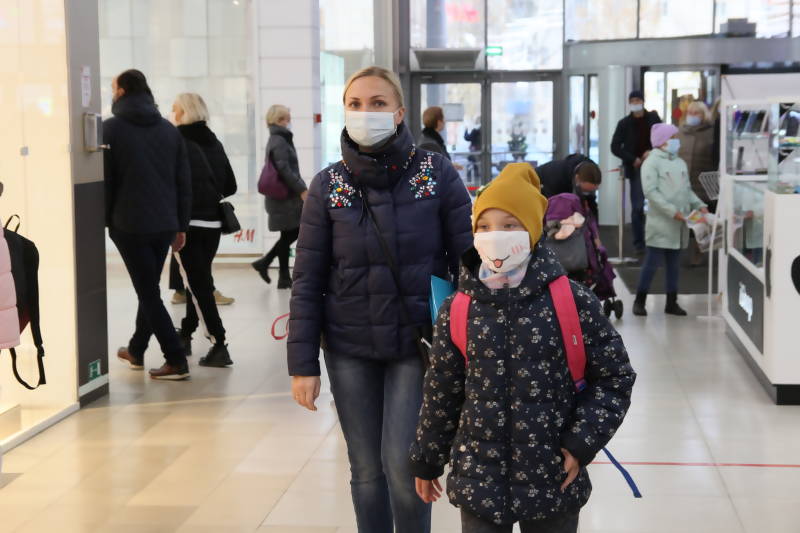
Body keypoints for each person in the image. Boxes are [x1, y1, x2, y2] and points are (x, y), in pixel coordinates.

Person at [288, 66, 473, 533]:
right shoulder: (327, 186)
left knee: (404, 464)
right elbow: (307, 279)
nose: (365, 112)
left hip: (417, 345)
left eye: (377, 103)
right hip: (349, 347)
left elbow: (468, 262)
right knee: (367, 469)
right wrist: (303, 364)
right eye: (355, 104)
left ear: (399, 112)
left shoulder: (435, 173)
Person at [409, 163, 636, 533]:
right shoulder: (459, 308)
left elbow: (615, 377)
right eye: (484, 227)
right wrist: (427, 457)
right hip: (479, 481)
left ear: (532, 230)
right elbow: (442, 389)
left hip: (552, 479)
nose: (494, 236)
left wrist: (581, 442)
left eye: (509, 225)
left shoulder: (572, 301)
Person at [105, 69, 191, 380]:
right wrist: (180, 225)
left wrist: (105, 219)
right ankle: (136, 349)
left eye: (113, 87)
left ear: (122, 91)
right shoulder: (169, 130)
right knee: (149, 288)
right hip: (164, 223)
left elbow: (107, 182)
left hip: (129, 223)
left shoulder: (110, 130)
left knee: (148, 293)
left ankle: (175, 359)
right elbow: (183, 181)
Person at [170, 92, 235, 367]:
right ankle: (185, 333)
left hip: (189, 225)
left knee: (198, 285)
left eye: (175, 109)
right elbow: (230, 185)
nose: (172, 114)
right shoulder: (213, 141)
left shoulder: (176, 141)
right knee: (197, 281)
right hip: (213, 225)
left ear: (184, 113)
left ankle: (219, 343)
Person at [633, 124, 708, 317]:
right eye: (673, 137)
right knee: (651, 263)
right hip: (661, 224)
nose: (677, 141)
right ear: (663, 141)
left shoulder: (680, 163)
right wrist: (673, 212)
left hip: (680, 224)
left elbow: (687, 190)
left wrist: (699, 205)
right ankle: (639, 300)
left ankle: (671, 302)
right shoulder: (651, 163)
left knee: (674, 266)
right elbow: (651, 192)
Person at [252, 105, 307, 289]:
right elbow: (284, 169)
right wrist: (301, 189)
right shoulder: (279, 140)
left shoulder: (278, 138)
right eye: (286, 119)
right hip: (284, 197)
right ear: (277, 120)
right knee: (292, 232)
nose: (289, 122)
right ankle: (271, 267)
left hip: (283, 196)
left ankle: (278, 273)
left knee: (288, 233)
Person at [611, 90, 661, 255]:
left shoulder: (653, 118)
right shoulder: (624, 123)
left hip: (655, 167)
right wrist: (632, 159)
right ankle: (639, 243)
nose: (635, 103)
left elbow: (663, 139)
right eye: (632, 100)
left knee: (658, 205)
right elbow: (615, 146)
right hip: (636, 169)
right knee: (637, 207)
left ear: (643, 101)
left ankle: (657, 240)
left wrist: (651, 152)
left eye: (638, 100)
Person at [536, 154, 602, 220]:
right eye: (585, 190)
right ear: (577, 178)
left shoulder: (591, 172)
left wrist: (595, 223)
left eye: (591, 191)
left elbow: (591, 203)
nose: (587, 193)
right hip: (537, 189)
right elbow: (553, 209)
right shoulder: (558, 177)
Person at [678, 101, 718, 206]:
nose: (692, 115)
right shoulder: (680, 132)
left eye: (696, 113)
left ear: (703, 115)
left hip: (706, 184)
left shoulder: (712, 132)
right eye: (690, 113)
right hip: (684, 183)